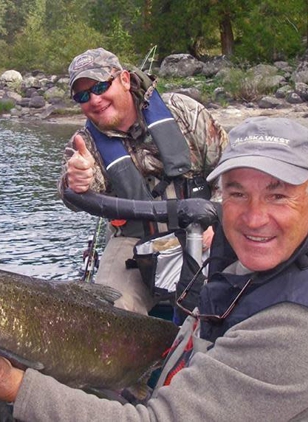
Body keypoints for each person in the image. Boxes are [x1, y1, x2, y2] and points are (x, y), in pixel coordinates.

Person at [0, 117, 308, 421]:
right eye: (237, 194)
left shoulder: (296, 328)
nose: (254, 217)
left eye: (278, 196)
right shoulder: (264, 259)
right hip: (177, 378)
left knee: (8, 398)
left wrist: (13, 385)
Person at [58, 47, 228, 315]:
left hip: (207, 230)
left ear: (124, 80)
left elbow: (228, 169)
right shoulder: (84, 144)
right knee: (110, 312)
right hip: (134, 244)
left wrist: (221, 220)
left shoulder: (183, 111)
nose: (94, 99)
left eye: (101, 86)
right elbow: (73, 194)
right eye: (82, 95)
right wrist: (77, 180)